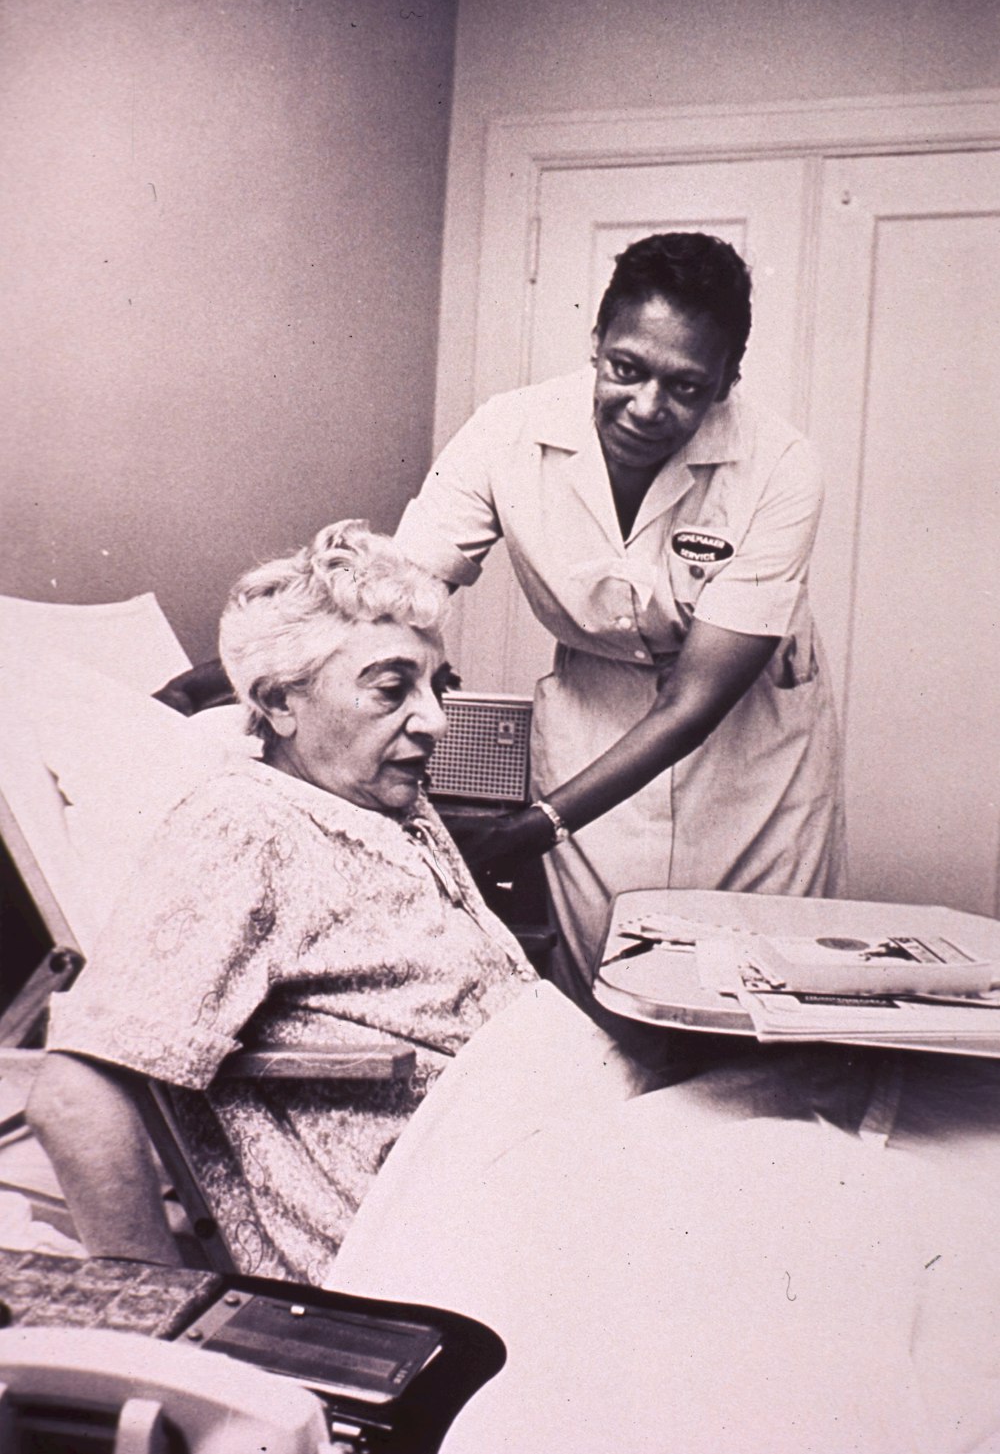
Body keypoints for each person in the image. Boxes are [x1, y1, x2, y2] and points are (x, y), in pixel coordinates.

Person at [27, 522, 648, 1285]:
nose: (435, 719)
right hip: (446, 1237)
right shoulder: (245, 829)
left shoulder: (390, 801)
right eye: (393, 689)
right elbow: (73, 1093)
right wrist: (156, 1312)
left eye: (435, 685)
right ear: (281, 704)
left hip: (559, 1173)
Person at [393, 231, 846, 998]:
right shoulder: (509, 431)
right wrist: (246, 666)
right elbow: (395, 590)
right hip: (592, 721)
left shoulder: (779, 462)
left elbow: (695, 703)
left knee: (761, 997)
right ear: (597, 342)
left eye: (686, 387)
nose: (646, 407)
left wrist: (531, 829)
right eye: (625, 368)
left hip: (748, 748)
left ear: (728, 381)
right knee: (601, 993)